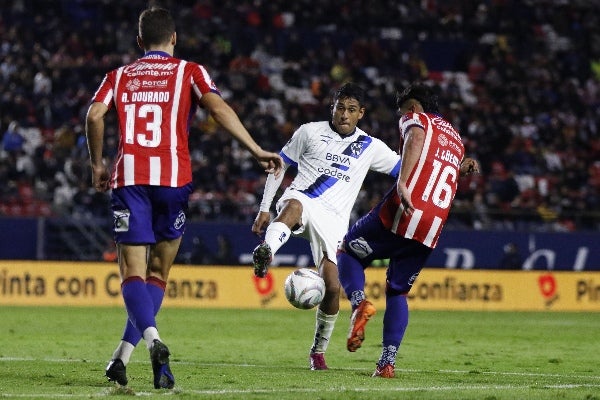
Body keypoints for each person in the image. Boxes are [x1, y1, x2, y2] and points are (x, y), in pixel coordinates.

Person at [85, 7, 282, 389]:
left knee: (133, 274)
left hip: (131, 180)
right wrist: (256, 149)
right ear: (174, 38)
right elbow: (218, 108)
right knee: (158, 273)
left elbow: (95, 116)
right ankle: (122, 359)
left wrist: (97, 165)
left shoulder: (119, 76)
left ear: (139, 41)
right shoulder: (190, 71)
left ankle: (153, 341)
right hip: (174, 180)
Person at [251, 82, 401, 370]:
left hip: (334, 220)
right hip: (303, 198)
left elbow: (406, 167)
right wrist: (264, 209)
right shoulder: (309, 131)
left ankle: (317, 353)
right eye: (340, 108)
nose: (344, 114)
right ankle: (267, 251)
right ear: (332, 108)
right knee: (293, 207)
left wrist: (453, 170)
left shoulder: (370, 146)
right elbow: (279, 166)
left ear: (361, 114)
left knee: (332, 287)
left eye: (351, 110)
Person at [336, 83, 480, 378]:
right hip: (432, 226)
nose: (401, 117)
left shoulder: (417, 119)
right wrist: (461, 168)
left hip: (405, 210)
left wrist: (403, 181)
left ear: (412, 107)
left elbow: (415, 138)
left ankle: (358, 302)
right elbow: (443, 168)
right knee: (398, 290)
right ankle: (387, 362)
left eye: (402, 111)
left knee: (347, 250)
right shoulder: (455, 139)